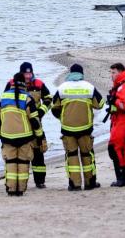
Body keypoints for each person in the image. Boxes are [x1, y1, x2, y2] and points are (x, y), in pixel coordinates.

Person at [51, 63, 104, 191]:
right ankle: (90, 183)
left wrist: (63, 118)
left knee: (71, 156)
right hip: (85, 128)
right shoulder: (89, 87)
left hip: (68, 128)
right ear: (82, 74)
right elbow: (101, 104)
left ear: (70, 73)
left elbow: (54, 108)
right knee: (87, 155)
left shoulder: (62, 88)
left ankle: (74, 185)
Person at [4, 62, 52, 188]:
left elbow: (48, 99)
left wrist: (41, 111)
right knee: (19, 154)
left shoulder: (39, 84)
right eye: (25, 73)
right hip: (19, 125)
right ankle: (18, 182)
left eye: (30, 73)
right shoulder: (11, 84)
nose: (28, 76)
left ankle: (40, 181)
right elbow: (4, 102)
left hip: (36, 122)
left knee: (38, 152)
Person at [0, 72, 43, 196]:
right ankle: (20, 190)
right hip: (25, 137)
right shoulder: (27, 98)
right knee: (23, 163)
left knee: (10, 163)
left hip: (7, 137)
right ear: (23, 83)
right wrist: (39, 136)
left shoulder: (3, 97)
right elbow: (35, 121)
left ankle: (11, 189)